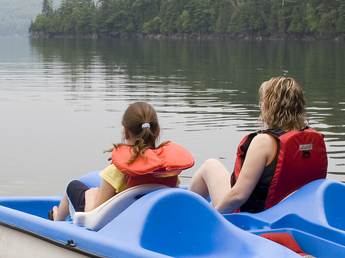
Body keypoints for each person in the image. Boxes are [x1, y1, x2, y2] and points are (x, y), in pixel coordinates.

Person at [188, 76, 327, 214]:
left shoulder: (264, 141)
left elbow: (238, 196)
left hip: (253, 216)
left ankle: (180, 210)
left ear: (268, 107)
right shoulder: (310, 142)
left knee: (210, 165)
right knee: (212, 201)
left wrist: (214, 218)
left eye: (262, 101)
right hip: (287, 213)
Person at [49, 102, 194, 221]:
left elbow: (94, 216)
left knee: (73, 186)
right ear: (157, 131)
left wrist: (91, 196)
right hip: (149, 221)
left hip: (118, 224)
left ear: (125, 132)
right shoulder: (168, 169)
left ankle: (56, 221)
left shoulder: (117, 170)